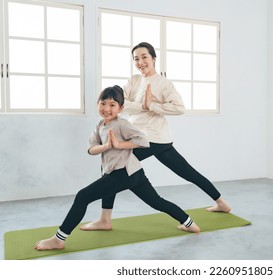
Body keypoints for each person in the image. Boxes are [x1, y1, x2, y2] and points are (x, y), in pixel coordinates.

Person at [81, 42, 231, 232]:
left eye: (144, 57)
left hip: (153, 138)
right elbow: (120, 103)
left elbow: (179, 108)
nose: (140, 62)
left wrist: (152, 105)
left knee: (112, 165)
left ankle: (105, 218)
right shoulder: (134, 80)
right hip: (151, 138)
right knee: (187, 172)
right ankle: (221, 202)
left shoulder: (163, 83)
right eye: (136, 58)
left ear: (153, 58)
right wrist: (143, 106)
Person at [35, 86, 200, 251]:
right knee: (157, 202)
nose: (107, 108)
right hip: (134, 172)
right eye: (103, 103)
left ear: (121, 108)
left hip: (124, 173)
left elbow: (143, 140)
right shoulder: (100, 125)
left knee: (82, 196)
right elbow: (91, 149)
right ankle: (190, 224)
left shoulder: (122, 124)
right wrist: (106, 146)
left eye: (112, 105)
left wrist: (119, 144)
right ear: (98, 104)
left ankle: (58, 239)